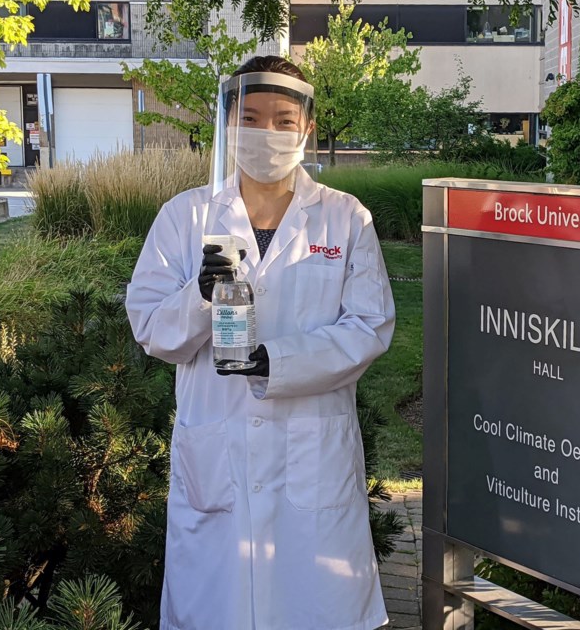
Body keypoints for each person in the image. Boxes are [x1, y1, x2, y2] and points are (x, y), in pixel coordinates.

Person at [125, 55, 396, 630]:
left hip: (311, 459)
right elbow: (149, 326)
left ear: (307, 128)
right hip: (216, 455)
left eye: (282, 119)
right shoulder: (186, 216)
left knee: (315, 607)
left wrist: (278, 361)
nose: (266, 133)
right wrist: (200, 299)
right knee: (217, 608)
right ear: (227, 124)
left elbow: (370, 326)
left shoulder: (346, 219)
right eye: (250, 117)